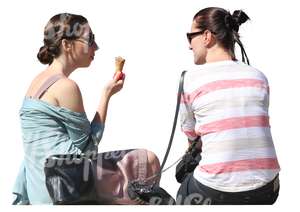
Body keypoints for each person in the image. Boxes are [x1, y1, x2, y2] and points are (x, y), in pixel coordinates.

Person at [12, 13, 160, 205]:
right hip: (63, 188)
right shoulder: (66, 86)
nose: (96, 47)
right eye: (90, 39)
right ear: (67, 45)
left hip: (38, 187)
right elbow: (89, 149)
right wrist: (106, 96)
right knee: (147, 160)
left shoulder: (38, 82)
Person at [176, 7, 280, 205]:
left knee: (182, 190)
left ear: (207, 36)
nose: (189, 45)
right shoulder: (259, 76)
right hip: (268, 188)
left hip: (216, 191)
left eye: (190, 37)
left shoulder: (189, 79)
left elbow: (192, 139)